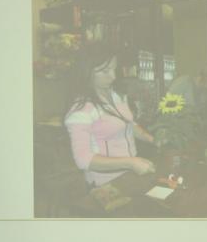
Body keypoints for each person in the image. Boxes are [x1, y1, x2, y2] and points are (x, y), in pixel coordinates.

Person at [64, 44, 155, 186]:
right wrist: (130, 162)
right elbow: (83, 159)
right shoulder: (81, 111)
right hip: (106, 182)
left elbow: (128, 124)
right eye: (105, 71)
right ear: (87, 72)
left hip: (129, 174)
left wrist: (153, 139)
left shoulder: (116, 96)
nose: (113, 76)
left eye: (114, 69)